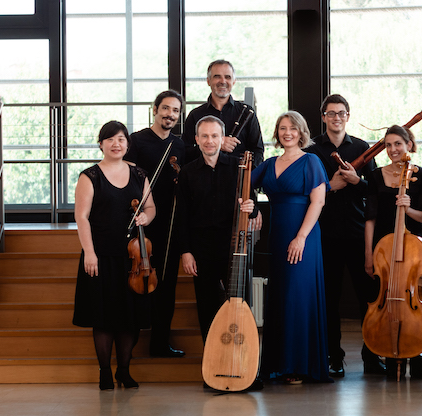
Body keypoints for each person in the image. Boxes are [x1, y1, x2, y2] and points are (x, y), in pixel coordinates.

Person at [73, 121, 156, 390]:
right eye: (110, 139)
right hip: (101, 255)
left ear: (127, 144)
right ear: (101, 144)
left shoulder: (139, 175)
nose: (116, 144)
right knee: (104, 316)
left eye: (121, 139)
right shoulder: (90, 176)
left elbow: (151, 207)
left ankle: (124, 370)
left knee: (129, 317)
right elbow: (82, 217)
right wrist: (89, 252)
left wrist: (146, 216)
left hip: (132, 257)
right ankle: (104, 372)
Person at [305, 94, 384, 377]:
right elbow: (305, 192)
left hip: (358, 234)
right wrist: (331, 185)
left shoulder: (363, 148)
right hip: (323, 235)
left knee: (368, 297)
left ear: (348, 116)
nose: (336, 118)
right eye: (331, 113)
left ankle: (372, 356)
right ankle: (333, 357)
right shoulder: (311, 149)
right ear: (323, 116)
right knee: (329, 300)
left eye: (341, 113)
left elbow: (375, 195)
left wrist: (357, 181)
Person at [252, 111, 331, 384]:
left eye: (293, 128)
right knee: (282, 295)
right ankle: (280, 364)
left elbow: (318, 202)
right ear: (277, 132)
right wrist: (253, 212)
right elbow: (240, 186)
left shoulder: (311, 161)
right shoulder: (269, 163)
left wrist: (300, 237)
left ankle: (300, 365)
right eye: (282, 128)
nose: (287, 133)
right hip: (278, 236)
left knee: (299, 296)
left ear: (301, 132)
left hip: (303, 237)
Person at [176, 115, 256, 345]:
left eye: (214, 136)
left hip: (233, 245)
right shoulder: (187, 172)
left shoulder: (239, 167)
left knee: (241, 304)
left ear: (222, 139)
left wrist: (252, 207)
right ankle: (212, 364)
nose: (209, 140)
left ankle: (244, 367)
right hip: (201, 248)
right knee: (207, 306)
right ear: (196, 139)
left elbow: (251, 202)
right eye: (205, 136)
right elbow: (182, 215)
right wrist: (186, 251)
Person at [363, 125, 422, 380]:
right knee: (379, 300)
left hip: (411, 252)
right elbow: (369, 218)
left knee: (410, 300)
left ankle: (416, 360)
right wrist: (369, 254)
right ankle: (373, 356)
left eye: (398, 144)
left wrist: (408, 206)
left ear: (409, 145)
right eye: (388, 145)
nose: (393, 150)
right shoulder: (374, 176)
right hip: (383, 250)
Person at [124, 90, 186, 358]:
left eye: (175, 111)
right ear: (155, 109)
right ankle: (129, 343)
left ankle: (160, 342)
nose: (170, 114)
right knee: (137, 284)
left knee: (167, 284)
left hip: (169, 223)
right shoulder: (136, 141)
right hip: (141, 221)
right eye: (166, 108)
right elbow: (126, 179)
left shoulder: (181, 145)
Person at [181, 59, 265, 166]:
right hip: (204, 179)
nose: (223, 81)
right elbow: (185, 152)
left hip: (237, 179)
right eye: (217, 76)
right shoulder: (195, 115)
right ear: (208, 81)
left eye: (228, 77)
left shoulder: (247, 112)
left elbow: (258, 151)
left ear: (233, 81)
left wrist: (247, 177)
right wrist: (217, 144)